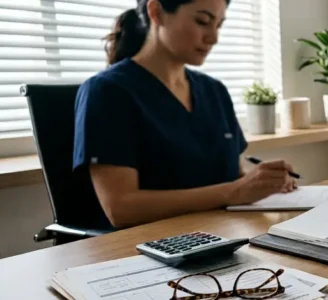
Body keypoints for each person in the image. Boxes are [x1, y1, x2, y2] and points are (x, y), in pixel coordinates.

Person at [72, 0, 295, 229]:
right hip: (146, 249)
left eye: (218, 25)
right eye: (202, 21)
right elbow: (120, 208)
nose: (213, 38)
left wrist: (262, 182)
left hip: (223, 236)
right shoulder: (108, 92)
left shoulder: (214, 91)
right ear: (156, 12)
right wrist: (234, 191)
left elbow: (232, 176)